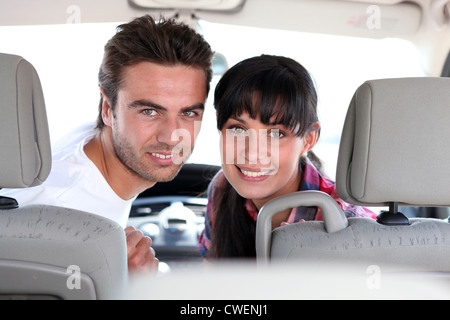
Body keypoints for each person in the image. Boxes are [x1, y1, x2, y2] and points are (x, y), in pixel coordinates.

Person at [0, 15, 214, 272]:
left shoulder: (89, 140)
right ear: (107, 108)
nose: (171, 137)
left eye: (188, 113)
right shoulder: (59, 219)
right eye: (149, 111)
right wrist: (118, 284)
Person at [199, 55, 377, 259]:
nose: (252, 153)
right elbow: (213, 277)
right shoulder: (223, 186)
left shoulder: (347, 224)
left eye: (276, 134)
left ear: (308, 140)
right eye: (238, 129)